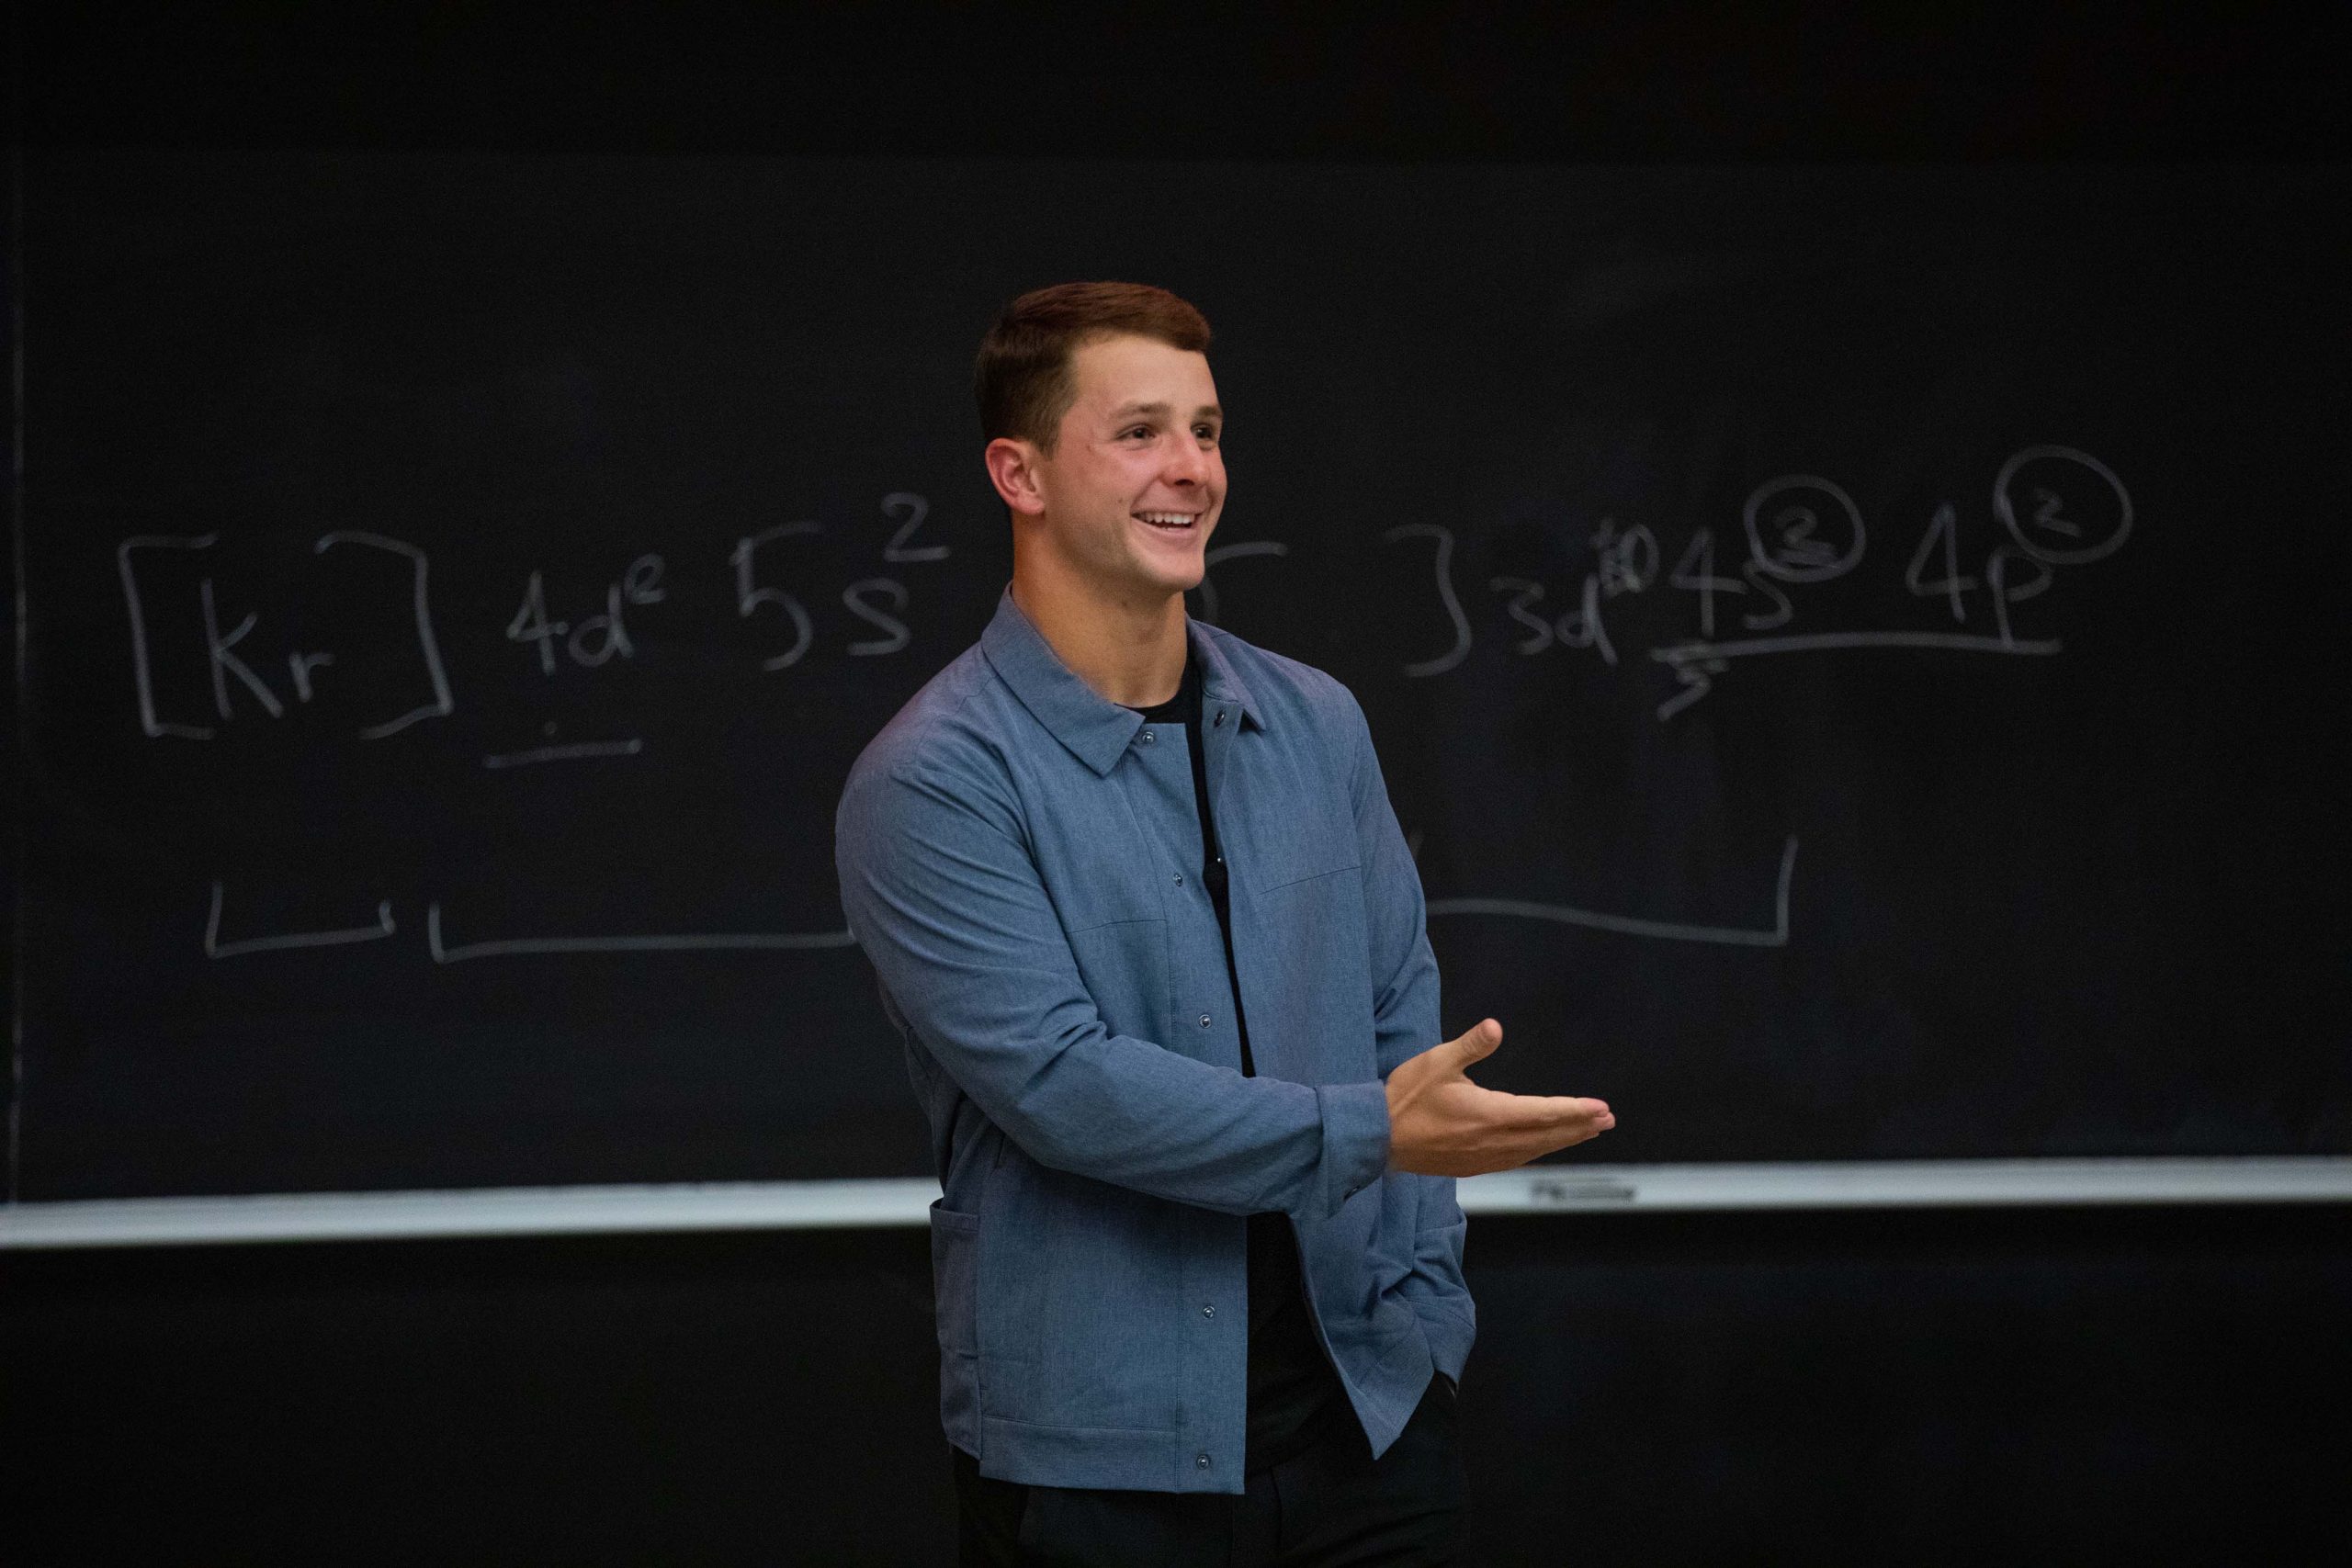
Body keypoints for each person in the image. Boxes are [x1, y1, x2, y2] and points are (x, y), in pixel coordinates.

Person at [834, 282, 1615, 1565]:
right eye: (1140, 430)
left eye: (1206, 430)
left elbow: (1395, 1013)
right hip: (1100, 1470)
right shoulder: (933, 778)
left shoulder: (1317, 722)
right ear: (1017, 472)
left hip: (1372, 1432)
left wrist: (1425, 1325)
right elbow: (1064, 1087)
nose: (1191, 468)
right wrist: (1372, 1134)